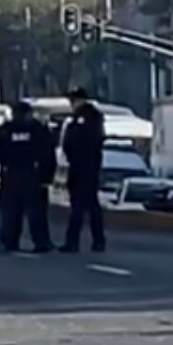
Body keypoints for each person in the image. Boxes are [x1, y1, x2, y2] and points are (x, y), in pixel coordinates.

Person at [0, 100, 56, 253]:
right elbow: (48, 155)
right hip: (33, 174)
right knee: (36, 212)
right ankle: (41, 242)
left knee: (11, 211)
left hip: (11, 174)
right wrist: (47, 177)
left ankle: (9, 241)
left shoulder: (5, 130)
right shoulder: (38, 129)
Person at [60, 87, 107, 253]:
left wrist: (75, 154)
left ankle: (76, 242)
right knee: (85, 205)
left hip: (86, 166)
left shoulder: (90, 117)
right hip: (81, 166)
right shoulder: (77, 118)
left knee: (82, 206)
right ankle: (95, 240)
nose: (71, 104)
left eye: (73, 100)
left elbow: (88, 141)